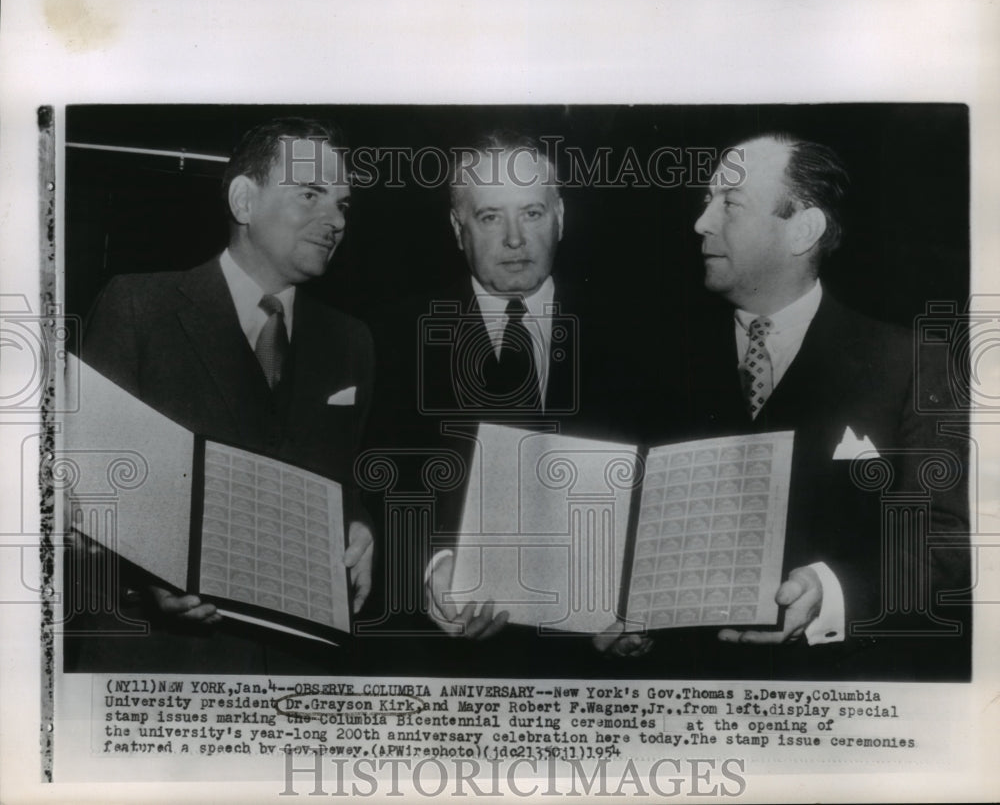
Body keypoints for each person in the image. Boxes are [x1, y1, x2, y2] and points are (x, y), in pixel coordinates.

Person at [599, 132, 970, 679]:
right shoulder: (651, 364)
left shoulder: (915, 364)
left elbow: (949, 540)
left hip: (844, 692)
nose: (701, 223)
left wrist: (835, 591)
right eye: (708, 201)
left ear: (803, 229)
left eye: (729, 203)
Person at [68, 116, 375, 673]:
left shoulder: (352, 341)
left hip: (296, 677)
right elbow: (83, 497)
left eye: (343, 205)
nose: (334, 220)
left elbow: (343, 479)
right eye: (311, 195)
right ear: (244, 201)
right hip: (158, 668)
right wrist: (142, 579)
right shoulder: (139, 307)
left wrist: (358, 529)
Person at [362, 132, 622, 673]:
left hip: (592, 663)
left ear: (561, 217)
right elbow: (377, 479)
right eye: (489, 217)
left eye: (531, 212)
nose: (513, 239)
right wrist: (431, 569)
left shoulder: (635, 335)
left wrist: (637, 604)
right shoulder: (390, 335)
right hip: (444, 661)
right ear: (458, 230)